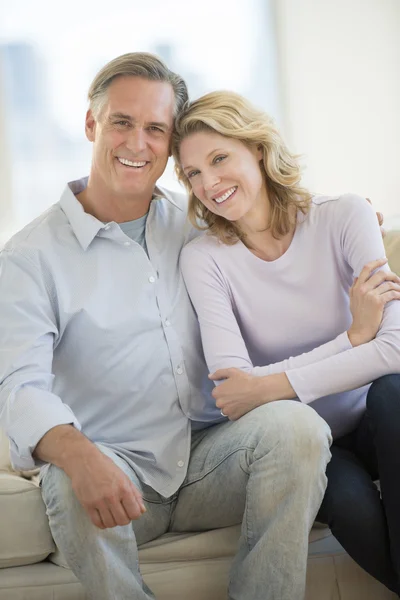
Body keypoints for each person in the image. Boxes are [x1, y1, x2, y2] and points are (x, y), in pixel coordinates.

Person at [0, 53, 333, 600]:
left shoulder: (200, 222)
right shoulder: (29, 257)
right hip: (118, 470)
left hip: (211, 458)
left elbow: (277, 227)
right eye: (121, 123)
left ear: (172, 142)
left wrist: (340, 222)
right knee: (65, 477)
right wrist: (82, 455)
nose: (138, 144)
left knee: (298, 429)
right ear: (91, 123)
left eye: (156, 129)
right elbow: (18, 385)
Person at [172, 90, 400, 595]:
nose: (208, 183)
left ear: (256, 147)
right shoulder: (204, 259)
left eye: (218, 159)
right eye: (192, 174)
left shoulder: (344, 215)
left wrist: (272, 383)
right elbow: (234, 394)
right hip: (309, 436)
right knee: (350, 501)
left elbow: (396, 349)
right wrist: (352, 338)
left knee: (394, 392)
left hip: (382, 418)